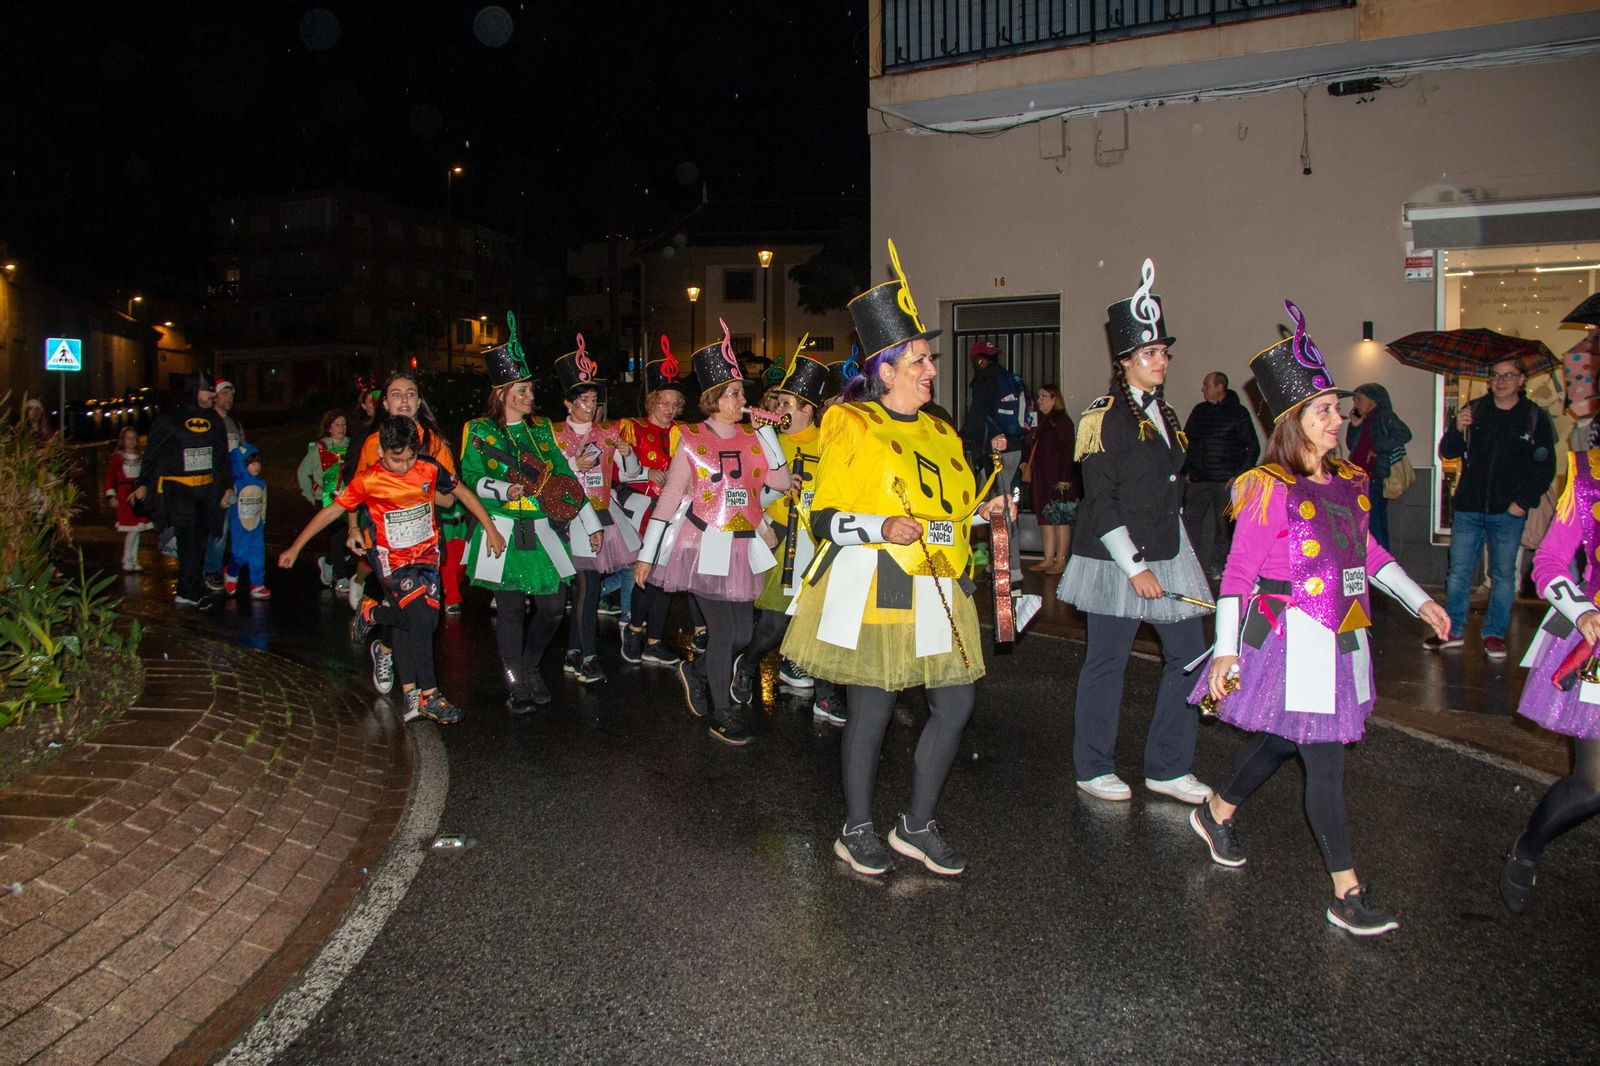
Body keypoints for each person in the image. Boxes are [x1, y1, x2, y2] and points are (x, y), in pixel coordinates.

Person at [1187, 301, 1449, 935]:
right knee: (1323, 755)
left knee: (1283, 739)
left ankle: (1217, 810)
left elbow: (1371, 554)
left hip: (1342, 636)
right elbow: (1239, 574)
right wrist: (1225, 652)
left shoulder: (1352, 482)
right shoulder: (1267, 486)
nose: (1339, 417)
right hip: (1289, 639)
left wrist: (1422, 601)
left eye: (1338, 407)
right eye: (1325, 410)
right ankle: (1345, 892)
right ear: (1294, 422)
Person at [781, 240, 1012, 876]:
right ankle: (856, 826)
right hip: (874, 578)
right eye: (919, 359)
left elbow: (956, 509)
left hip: (938, 581)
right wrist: (879, 523)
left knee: (957, 704)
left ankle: (915, 823)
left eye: (929, 359)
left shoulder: (941, 428)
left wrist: (986, 514)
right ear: (886, 369)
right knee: (874, 708)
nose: (931, 368)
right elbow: (820, 514)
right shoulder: (847, 424)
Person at [1057, 259, 1214, 805]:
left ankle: (1167, 767)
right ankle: (1092, 765)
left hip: (1166, 553)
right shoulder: (1100, 418)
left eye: (1164, 352)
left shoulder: (1167, 414)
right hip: (1115, 559)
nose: (1161, 361)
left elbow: (1170, 492)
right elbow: (1100, 504)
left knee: (1191, 656)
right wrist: (1135, 567)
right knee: (1108, 660)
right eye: (1150, 353)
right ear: (1125, 360)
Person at [282, 415, 504, 723]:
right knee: (422, 621)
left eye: (410, 458)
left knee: (426, 620)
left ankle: (372, 613)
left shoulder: (427, 467)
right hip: (392, 561)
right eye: (397, 460)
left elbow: (461, 493)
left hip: (426, 555)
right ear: (383, 451)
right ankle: (429, 695)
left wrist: (490, 528)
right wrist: (296, 546)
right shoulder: (368, 479)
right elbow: (333, 511)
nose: (404, 466)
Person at [633, 320, 793, 746]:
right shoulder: (689, 438)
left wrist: (768, 433)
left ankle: (697, 670)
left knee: (742, 634)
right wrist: (648, 555)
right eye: (736, 393)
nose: (744, 398)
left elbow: (780, 482)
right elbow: (669, 498)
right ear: (714, 400)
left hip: (741, 547)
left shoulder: (752, 437)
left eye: (742, 392)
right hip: (702, 544)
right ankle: (721, 713)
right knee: (724, 633)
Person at [461, 334, 599, 711]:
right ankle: (516, 681)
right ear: (502, 392)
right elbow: (470, 479)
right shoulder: (479, 431)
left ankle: (530, 665)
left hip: (540, 531)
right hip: (501, 530)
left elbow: (562, 482)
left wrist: (592, 522)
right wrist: (503, 488)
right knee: (509, 610)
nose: (528, 395)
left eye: (530, 389)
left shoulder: (541, 430)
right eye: (521, 389)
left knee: (554, 606)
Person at [1497, 450, 1600, 913]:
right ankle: (1529, 844)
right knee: (1594, 785)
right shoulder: (1589, 475)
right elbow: (1550, 563)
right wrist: (1583, 611)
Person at [732, 348, 844, 723]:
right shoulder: (763, 440)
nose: (778, 407)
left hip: (820, 540)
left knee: (819, 620)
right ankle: (747, 666)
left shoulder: (829, 443)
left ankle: (825, 695)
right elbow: (744, 488)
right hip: (780, 537)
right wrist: (766, 510)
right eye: (777, 401)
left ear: (808, 409)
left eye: (788, 403)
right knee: (773, 625)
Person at [1432, 357, 1557, 659]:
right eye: (1495, 375)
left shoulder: (1533, 417)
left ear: (1522, 380)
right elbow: (1447, 451)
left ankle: (1494, 633)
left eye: (1508, 376)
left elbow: (1545, 467)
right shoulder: (1474, 410)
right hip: (1468, 507)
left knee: (1502, 574)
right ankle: (1453, 629)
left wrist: (1522, 503)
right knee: (1459, 572)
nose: (1500, 381)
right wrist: (1456, 429)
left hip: (1508, 511)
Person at [349, 372, 462, 691]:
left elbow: (450, 497)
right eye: (396, 394)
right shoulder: (373, 444)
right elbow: (355, 490)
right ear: (384, 403)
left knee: (416, 613)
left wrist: (419, 487)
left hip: (424, 541)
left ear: (418, 401)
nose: (404, 400)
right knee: (409, 608)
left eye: (410, 394)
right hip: (385, 545)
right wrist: (354, 527)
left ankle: (382, 647)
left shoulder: (434, 442)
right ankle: (415, 690)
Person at [553, 335, 644, 685]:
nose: (590, 406)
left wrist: (626, 452)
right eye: (583, 400)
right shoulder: (555, 437)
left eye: (593, 400)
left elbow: (632, 474)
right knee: (586, 588)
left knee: (586, 589)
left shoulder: (609, 433)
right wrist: (573, 463)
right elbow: (550, 483)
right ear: (568, 403)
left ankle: (576, 651)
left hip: (604, 517)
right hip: (572, 519)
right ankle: (587, 656)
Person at [132, 371, 233, 607]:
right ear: (194, 391)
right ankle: (191, 589)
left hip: (206, 490)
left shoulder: (215, 420)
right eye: (208, 390)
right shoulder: (169, 420)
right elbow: (152, 454)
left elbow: (221, 457)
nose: (212, 395)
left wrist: (227, 486)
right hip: (179, 490)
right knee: (187, 539)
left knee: (198, 540)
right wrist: (141, 484)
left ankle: (188, 587)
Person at [616, 339, 688, 668]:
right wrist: (648, 470)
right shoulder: (632, 428)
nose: (669, 408)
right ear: (652, 400)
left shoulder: (684, 433)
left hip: (673, 513)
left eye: (674, 403)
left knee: (664, 580)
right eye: (664, 401)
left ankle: (654, 641)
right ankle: (633, 631)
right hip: (641, 511)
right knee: (647, 576)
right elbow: (621, 474)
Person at [960, 340, 1031, 582]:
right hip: (1013, 448)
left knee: (1000, 508)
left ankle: (1011, 568)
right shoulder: (1010, 378)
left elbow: (977, 421)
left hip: (995, 452)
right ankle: (997, 562)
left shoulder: (984, 382)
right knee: (1003, 504)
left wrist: (962, 435)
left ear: (978, 360)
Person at [1182, 371, 1260, 579]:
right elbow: (1185, 441)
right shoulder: (1199, 411)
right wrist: (1187, 469)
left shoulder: (1238, 413)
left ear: (1220, 387)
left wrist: (1238, 475)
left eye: (1206, 385)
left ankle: (1220, 567)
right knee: (1190, 525)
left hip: (1225, 481)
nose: (1203, 389)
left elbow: (1252, 446)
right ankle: (1190, 568)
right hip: (1198, 479)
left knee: (1224, 527)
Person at [1343, 382, 1411, 552]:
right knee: (1361, 525)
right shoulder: (1364, 419)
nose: (1355, 404)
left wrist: (1376, 447)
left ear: (1372, 399)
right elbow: (1353, 446)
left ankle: (1380, 566)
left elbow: (1404, 433)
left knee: (1375, 525)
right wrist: (1354, 425)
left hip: (1374, 478)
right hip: (1358, 479)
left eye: (1358, 399)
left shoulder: (1384, 415)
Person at [1022, 383, 1078, 575]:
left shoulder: (1063, 422)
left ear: (1055, 399)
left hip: (1057, 477)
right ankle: (1047, 558)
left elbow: (1068, 450)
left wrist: (1064, 476)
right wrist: (1025, 463)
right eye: (1039, 397)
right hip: (1041, 477)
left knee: (1060, 518)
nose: (1040, 401)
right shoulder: (1040, 421)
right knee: (1044, 517)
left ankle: (1061, 560)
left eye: (1044, 397)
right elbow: (1030, 446)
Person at [297, 410, 351, 593]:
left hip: (347, 499)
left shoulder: (351, 446)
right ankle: (341, 577)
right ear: (329, 428)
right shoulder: (320, 448)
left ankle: (328, 561)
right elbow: (303, 472)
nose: (341, 428)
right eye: (337, 424)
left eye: (343, 424)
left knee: (346, 541)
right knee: (337, 537)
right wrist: (310, 496)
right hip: (326, 499)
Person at [203, 380, 247, 592]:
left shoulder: (235, 424)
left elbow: (244, 453)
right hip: (213, 483)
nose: (229, 397)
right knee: (218, 527)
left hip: (234, 483)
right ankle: (211, 569)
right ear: (215, 396)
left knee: (231, 527)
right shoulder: (207, 422)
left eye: (231, 394)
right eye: (225, 393)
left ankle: (228, 569)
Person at [224, 443, 270, 600]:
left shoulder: (261, 484)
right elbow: (226, 501)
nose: (256, 466)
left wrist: (262, 520)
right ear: (243, 464)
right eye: (252, 463)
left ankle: (257, 584)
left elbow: (264, 502)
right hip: (240, 527)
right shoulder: (236, 484)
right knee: (239, 554)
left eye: (258, 463)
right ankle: (231, 572)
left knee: (258, 555)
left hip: (256, 525)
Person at [106, 425, 152, 572]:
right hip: (124, 495)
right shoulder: (118, 458)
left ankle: (134, 558)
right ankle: (127, 558)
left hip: (137, 494)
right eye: (128, 438)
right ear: (123, 440)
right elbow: (110, 477)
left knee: (138, 528)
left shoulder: (141, 457)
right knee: (132, 529)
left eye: (134, 438)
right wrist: (111, 495)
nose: (131, 441)